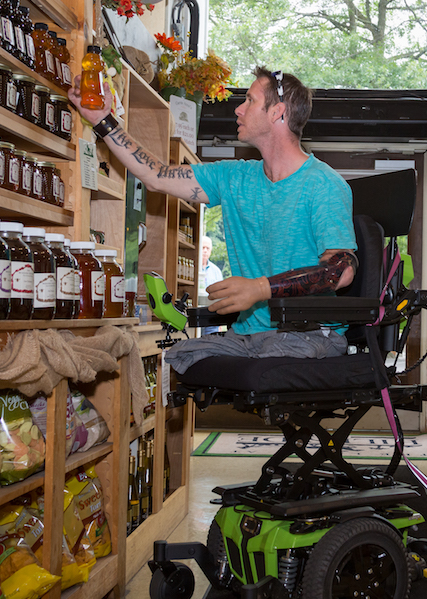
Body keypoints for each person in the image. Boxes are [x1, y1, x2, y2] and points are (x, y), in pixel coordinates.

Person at [68, 66, 357, 373]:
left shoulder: (323, 184)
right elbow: (157, 177)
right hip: (251, 336)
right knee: (179, 359)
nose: (238, 108)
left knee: (264, 368)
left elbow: (341, 271)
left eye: (249, 100)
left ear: (277, 112)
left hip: (308, 335)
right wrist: (103, 121)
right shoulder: (235, 177)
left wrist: (260, 289)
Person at [201, 236, 223, 335]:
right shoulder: (192, 268)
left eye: (207, 248)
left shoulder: (216, 271)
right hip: (196, 314)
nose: (205, 251)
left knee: (212, 340)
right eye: (203, 247)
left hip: (212, 316)